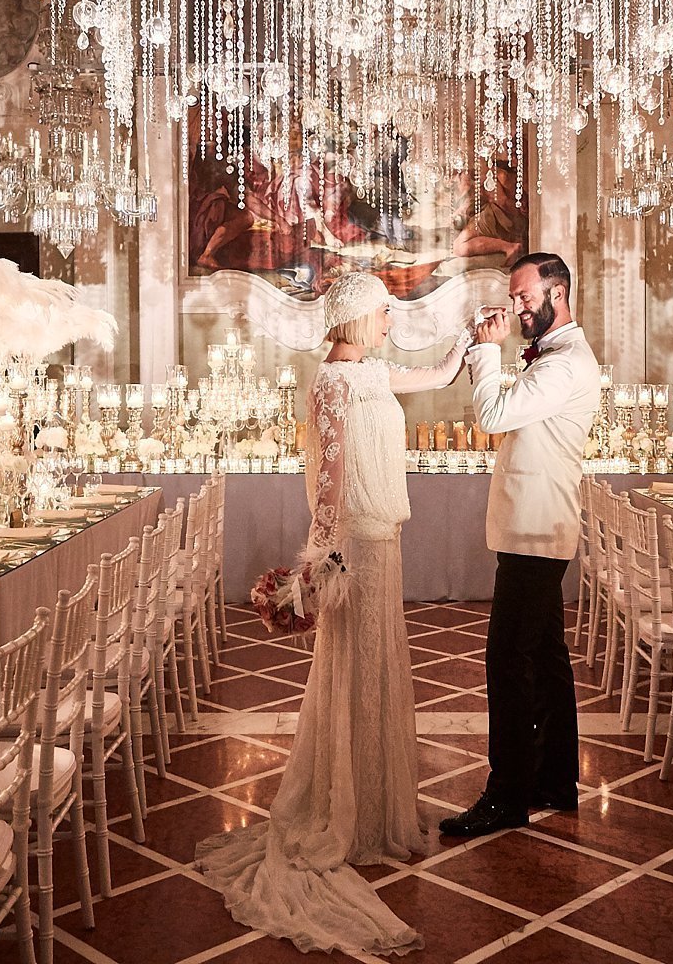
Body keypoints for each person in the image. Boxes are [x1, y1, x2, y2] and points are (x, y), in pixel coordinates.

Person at [197, 271, 469, 955]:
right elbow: (330, 475)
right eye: (382, 313)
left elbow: (437, 373)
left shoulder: (371, 373)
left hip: (385, 539)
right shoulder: (332, 382)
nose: (389, 322)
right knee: (354, 666)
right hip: (356, 543)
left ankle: (376, 806)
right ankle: (350, 808)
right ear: (356, 318)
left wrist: (472, 342)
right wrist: (319, 555)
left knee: (377, 664)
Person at [440, 252, 600, 837]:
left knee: (508, 663)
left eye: (524, 298)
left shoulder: (565, 365)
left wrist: (487, 353)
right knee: (546, 660)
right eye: (513, 298)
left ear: (557, 294)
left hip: (536, 530)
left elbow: (493, 415)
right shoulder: (554, 358)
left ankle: (506, 797)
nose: (516, 309)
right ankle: (555, 780)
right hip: (537, 527)